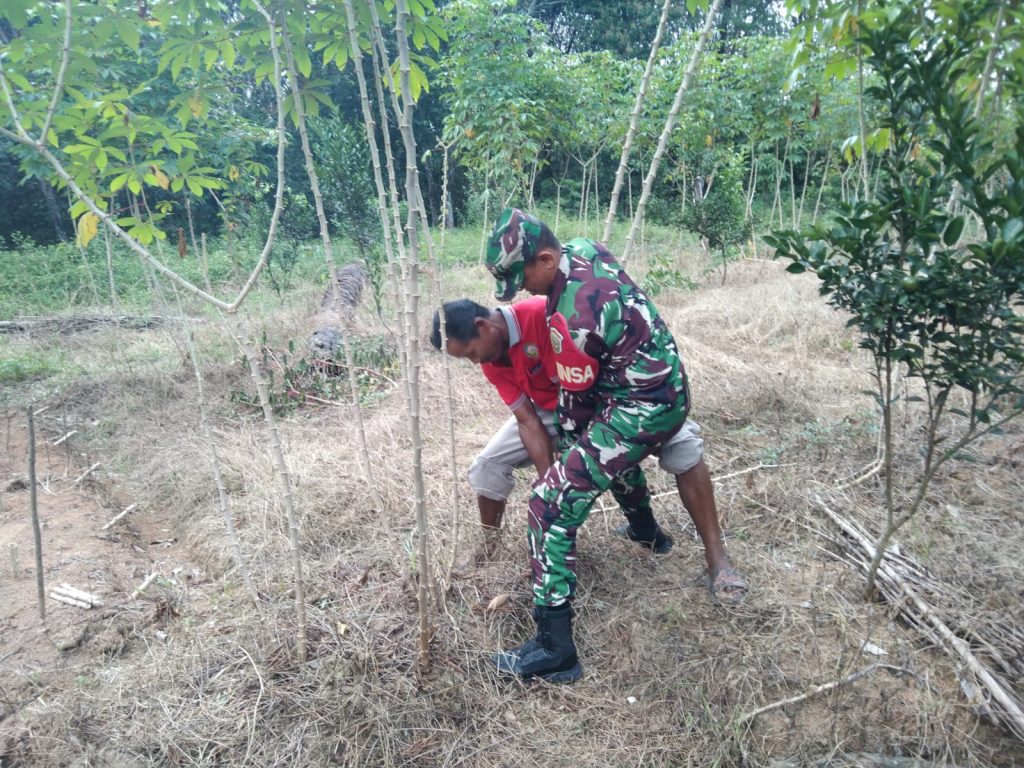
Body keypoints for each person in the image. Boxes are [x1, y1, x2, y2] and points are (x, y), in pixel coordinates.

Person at [485, 207, 747, 684]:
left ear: (546, 259)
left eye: (523, 279)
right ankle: (649, 533)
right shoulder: (585, 248)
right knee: (603, 455)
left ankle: (555, 650)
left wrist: (564, 471)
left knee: (548, 504)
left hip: (640, 406)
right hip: (668, 385)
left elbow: (577, 410)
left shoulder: (571, 322)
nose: (522, 291)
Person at [429, 297, 559, 564]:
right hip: (548, 410)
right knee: (486, 466)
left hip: (593, 402)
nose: (475, 362)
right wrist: (549, 482)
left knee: (611, 457)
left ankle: (642, 526)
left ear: (483, 326)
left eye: (471, 353)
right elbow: (527, 421)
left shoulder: (541, 314)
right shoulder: (492, 362)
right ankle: (489, 548)